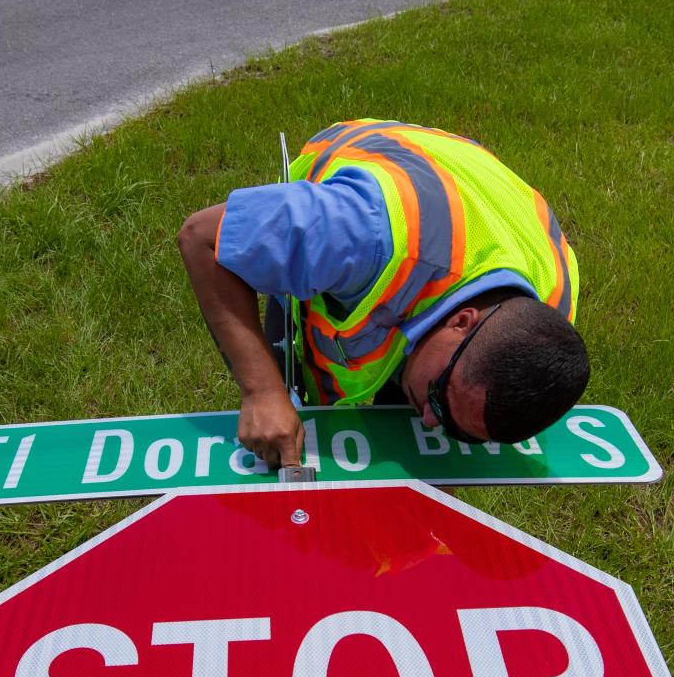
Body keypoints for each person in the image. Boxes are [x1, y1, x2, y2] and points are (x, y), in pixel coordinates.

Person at [179, 118, 589, 470]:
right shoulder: (355, 231)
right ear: (461, 321)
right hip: (376, 162)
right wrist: (263, 392)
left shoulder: (552, 305)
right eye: (439, 403)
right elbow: (203, 238)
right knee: (292, 407)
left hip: (469, 187)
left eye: (467, 435)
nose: (430, 423)